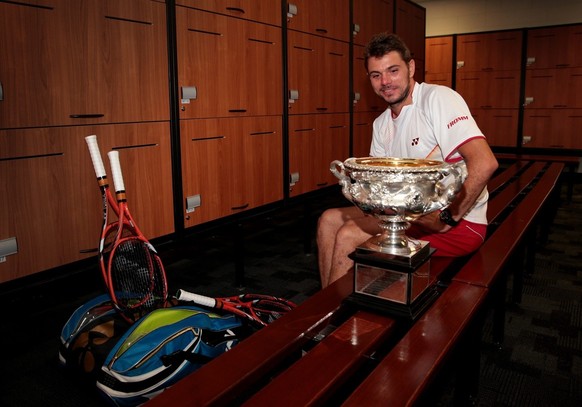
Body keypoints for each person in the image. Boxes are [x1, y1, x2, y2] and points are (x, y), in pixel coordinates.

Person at [317, 33, 499, 288]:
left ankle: (339, 323)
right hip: (408, 216)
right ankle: (326, 309)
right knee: (328, 219)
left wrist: (448, 217)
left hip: (459, 225)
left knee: (349, 235)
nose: (385, 82)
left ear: (411, 67)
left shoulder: (437, 99)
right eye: (376, 75)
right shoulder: (381, 124)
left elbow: (485, 162)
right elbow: (381, 187)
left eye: (393, 70)